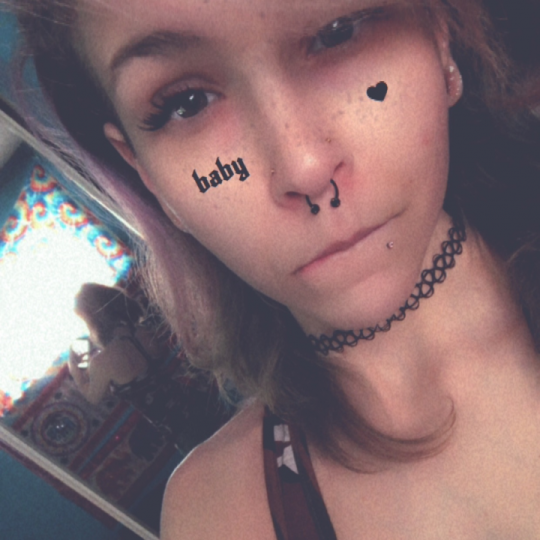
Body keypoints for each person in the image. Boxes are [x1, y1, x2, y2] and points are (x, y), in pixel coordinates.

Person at [5, 0, 540, 537]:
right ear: (148, 177)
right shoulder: (217, 517)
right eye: (187, 103)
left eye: (337, 32)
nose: (304, 168)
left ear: (439, 36)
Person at [69, 283, 230, 456]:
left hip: (180, 427)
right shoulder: (144, 333)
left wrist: (73, 366)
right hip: (199, 401)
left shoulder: (103, 362)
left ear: (93, 321)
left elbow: (93, 397)